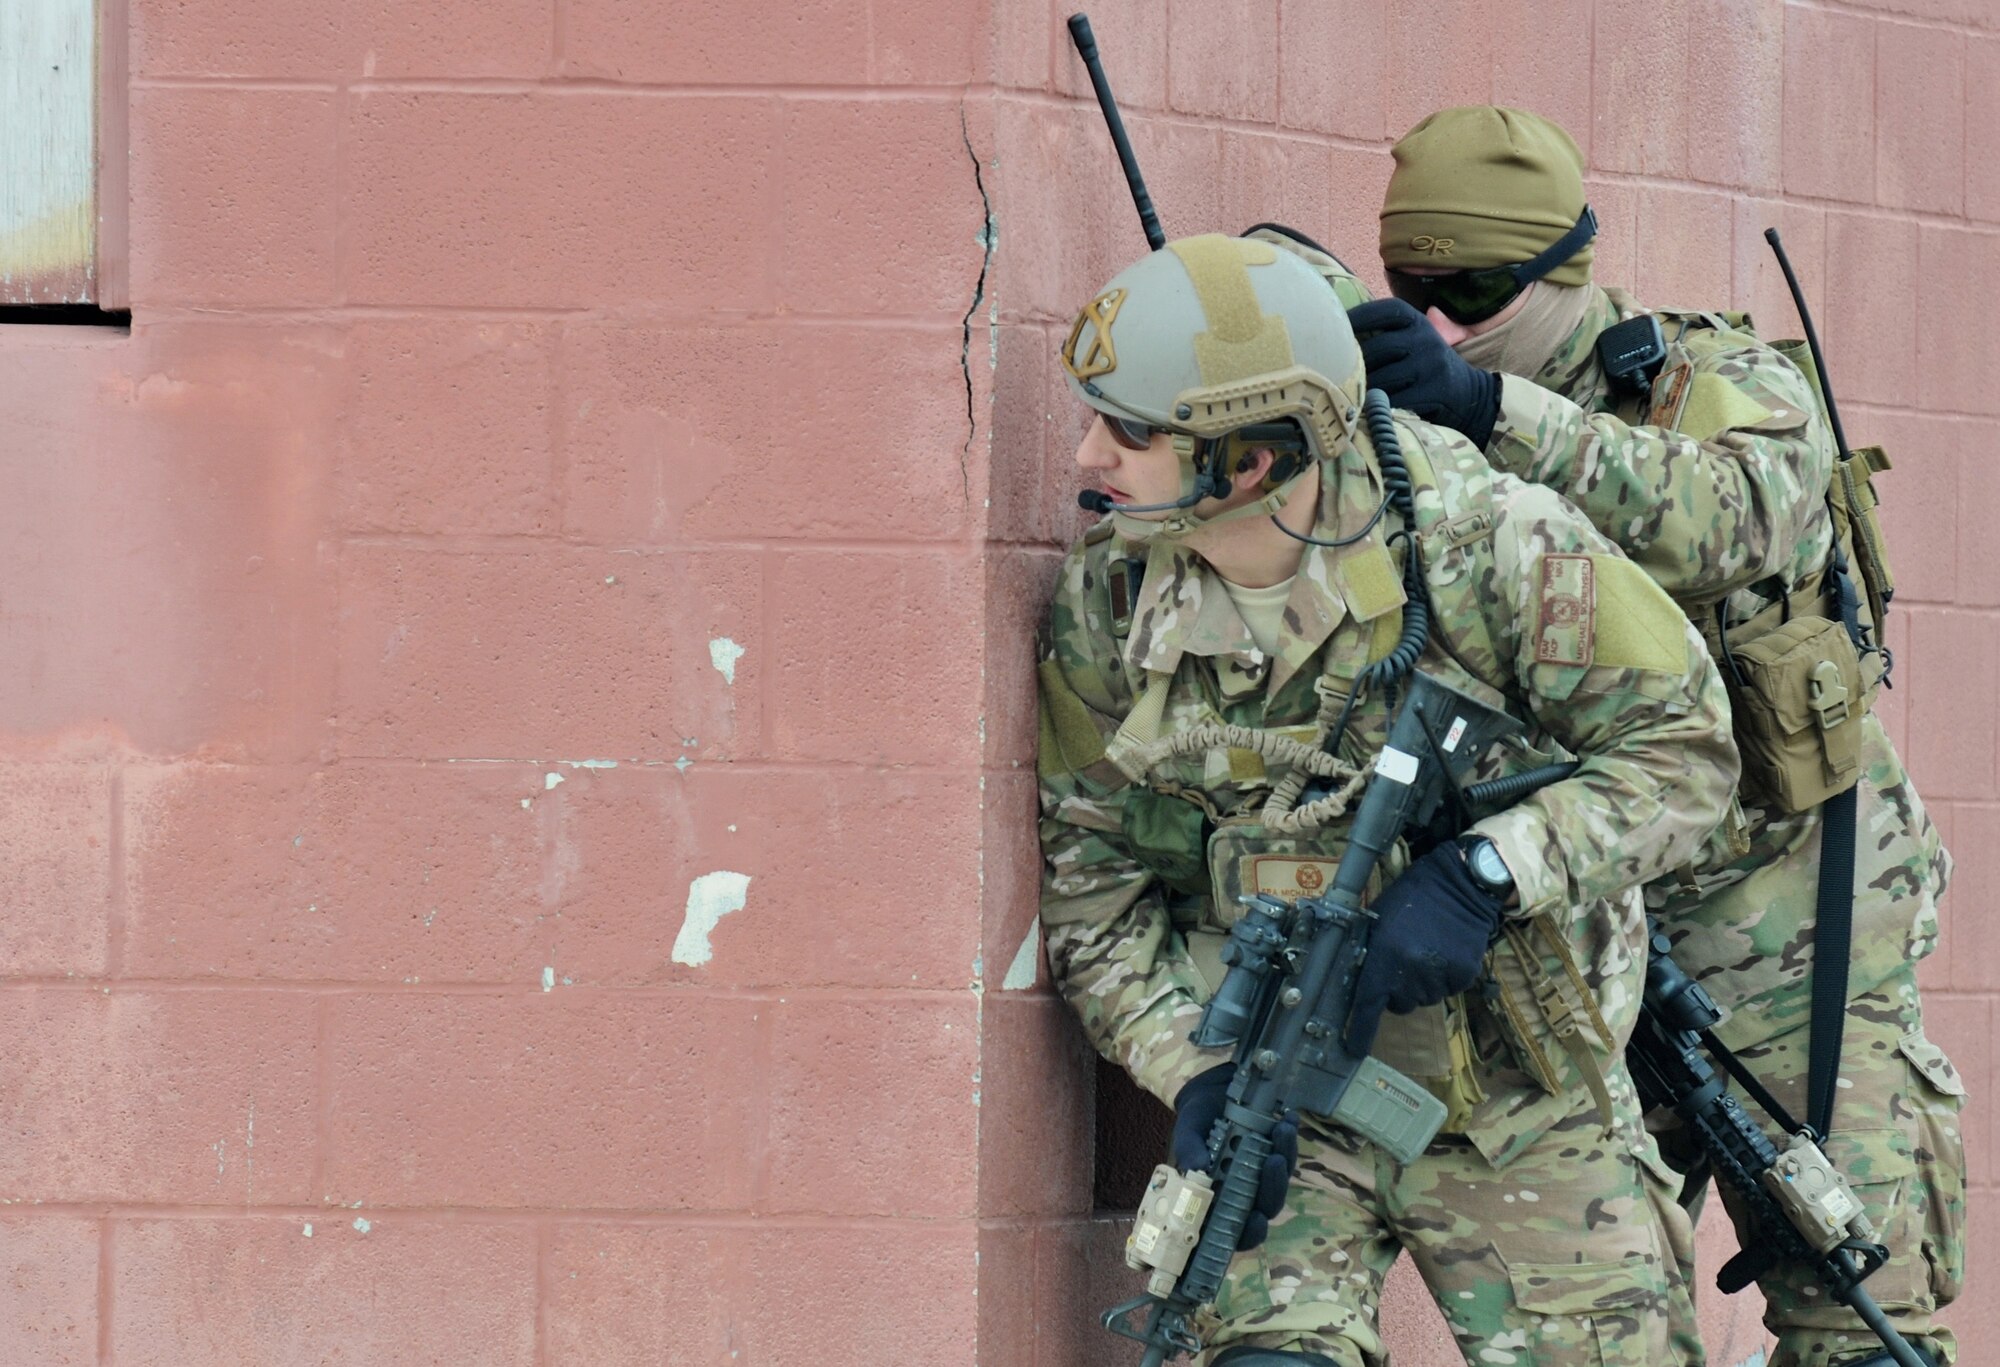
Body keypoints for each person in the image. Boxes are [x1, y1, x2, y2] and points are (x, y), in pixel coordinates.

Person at [1037, 230, 1737, 1366]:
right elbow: (1092, 895)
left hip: (1527, 1094)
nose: (1086, 454)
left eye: (1130, 431)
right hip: (1291, 1089)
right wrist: (1196, 1072)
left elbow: (1686, 754)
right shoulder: (1105, 604)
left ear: (1248, 460)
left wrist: (1489, 870)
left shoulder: (1489, 544)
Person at [1352, 105, 1962, 1367]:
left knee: (1850, 1290)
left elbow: (1727, 518)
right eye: (1413, 288)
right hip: (1570, 919)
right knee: (1603, 1322)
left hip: (1776, 916)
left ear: (1558, 265)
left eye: (1467, 289)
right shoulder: (1422, 429)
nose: (1440, 319)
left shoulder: (1704, 382)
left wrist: (1486, 406)